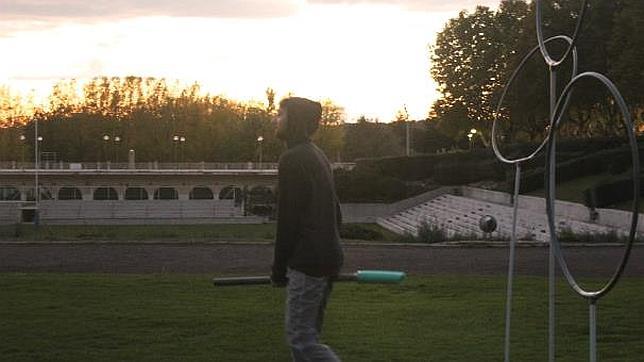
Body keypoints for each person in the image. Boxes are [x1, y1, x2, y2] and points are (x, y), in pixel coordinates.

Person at [270, 97, 344, 362]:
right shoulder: (318, 155)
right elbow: (336, 212)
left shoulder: (293, 159)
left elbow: (288, 220)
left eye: (281, 114)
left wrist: (279, 269)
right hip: (327, 257)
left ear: (295, 122)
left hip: (308, 263)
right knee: (307, 338)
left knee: (302, 341)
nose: (276, 119)